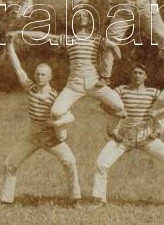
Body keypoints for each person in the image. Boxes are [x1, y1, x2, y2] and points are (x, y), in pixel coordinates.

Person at [9, 10, 126, 141]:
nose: (82, 17)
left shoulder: (96, 39)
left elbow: (114, 53)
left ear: (89, 21)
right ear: (75, 22)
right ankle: (61, 137)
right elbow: (44, 36)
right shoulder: (69, 39)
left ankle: (112, 131)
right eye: (79, 16)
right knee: (56, 113)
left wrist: (114, 47)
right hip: (74, 85)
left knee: (120, 107)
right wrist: (20, 32)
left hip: (95, 83)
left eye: (84, 15)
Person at [0, 35, 82, 206]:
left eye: (43, 74)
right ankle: (6, 201)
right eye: (37, 74)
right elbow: (18, 69)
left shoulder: (56, 96)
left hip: (52, 138)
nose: (39, 77)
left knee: (70, 162)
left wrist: (57, 124)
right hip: (32, 136)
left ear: (49, 77)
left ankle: (75, 199)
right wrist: (10, 46)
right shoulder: (31, 89)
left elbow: (70, 116)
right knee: (10, 163)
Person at [91, 64, 164, 207]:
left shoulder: (153, 92)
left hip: (146, 137)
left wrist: (157, 118)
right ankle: (99, 200)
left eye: (141, 73)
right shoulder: (121, 90)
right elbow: (103, 104)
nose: (137, 75)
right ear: (131, 75)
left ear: (145, 76)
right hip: (123, 137)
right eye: (134, 72)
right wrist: (116, 118)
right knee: (101, 163)